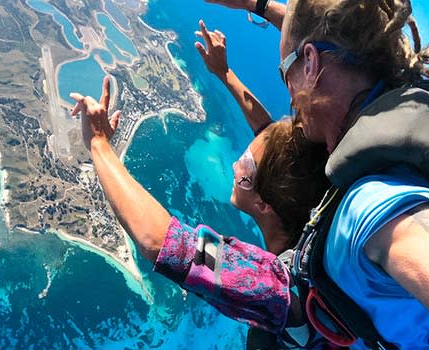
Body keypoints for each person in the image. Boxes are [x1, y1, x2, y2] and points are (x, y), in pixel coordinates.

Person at [208, 0, 429, 347]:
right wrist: (261, 6)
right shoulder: (412, 118)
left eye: (286, 74)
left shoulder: (374, 207)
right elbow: (351, 46)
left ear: (311, 63)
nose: (290, 96)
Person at [70, 77, 332, 348]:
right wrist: (224, 72)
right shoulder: (310, 219)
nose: (234, 166)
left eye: (244, 164)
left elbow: (164, 244)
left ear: (265, 205)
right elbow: (271, 142)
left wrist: (99, 145)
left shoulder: (271, 287)